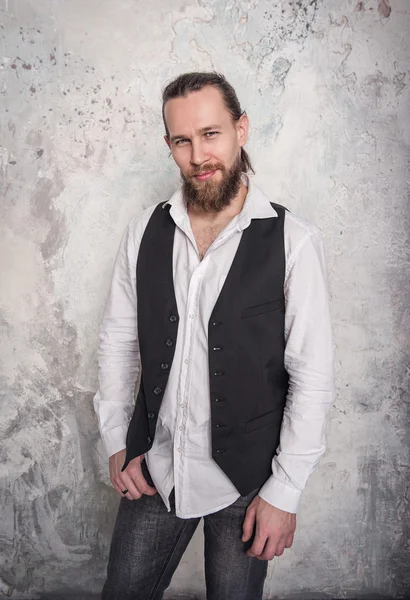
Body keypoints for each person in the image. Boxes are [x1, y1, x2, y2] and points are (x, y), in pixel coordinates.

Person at [93, 71, 334, 600]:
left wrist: (285, 493)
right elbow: (118, 343)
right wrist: (117, 441)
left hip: (248, 483)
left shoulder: (294, 240)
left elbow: (312, 378)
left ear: (240, 129)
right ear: (169, 145)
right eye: (182, 140)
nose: (199, 154)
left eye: (211, 134)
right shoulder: (144, 230)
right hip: (154, 466)